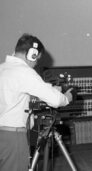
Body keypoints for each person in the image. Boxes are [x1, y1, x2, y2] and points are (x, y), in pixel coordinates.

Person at [0, 33, 73, 171]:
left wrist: (48, 90)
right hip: (12, 138)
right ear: (32, 54)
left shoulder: (2, 68)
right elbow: (56, 100)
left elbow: (15, 96)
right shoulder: (24, 71)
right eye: (36, 59)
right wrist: (68, 97)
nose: (35, 64)